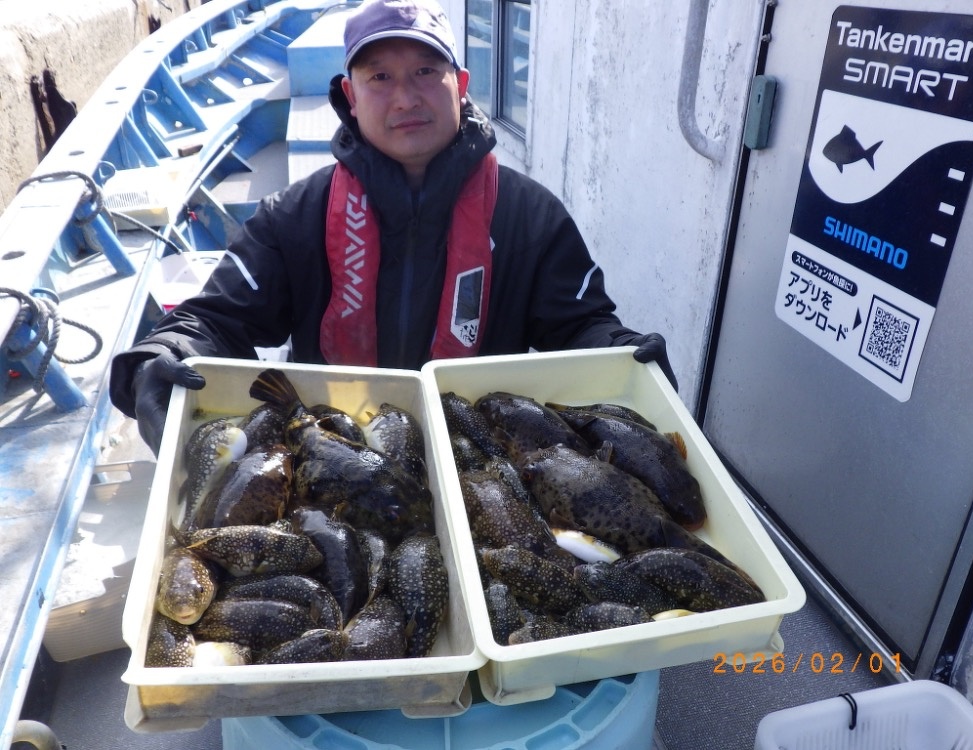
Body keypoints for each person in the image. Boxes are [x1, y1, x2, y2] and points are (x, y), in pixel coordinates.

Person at [109, 0, 677, 451]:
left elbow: (580, 327)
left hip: (479, 458)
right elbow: (215, 321)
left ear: (461, 83)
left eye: (426, 72)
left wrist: (623, 352)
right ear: (350, 96)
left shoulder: (531, 215)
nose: (405, 98)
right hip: (335, 454)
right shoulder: (292, 216)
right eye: (380, 76)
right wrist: (164, 353)